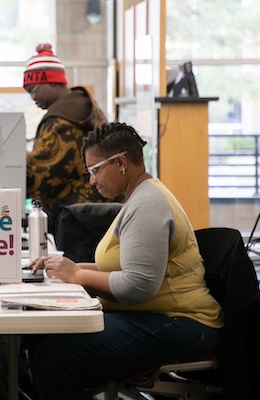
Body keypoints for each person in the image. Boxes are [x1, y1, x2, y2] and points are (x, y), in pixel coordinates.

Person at [27, 122, 223, 399]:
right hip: (159, 317)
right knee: (43, 339)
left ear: (120, 162)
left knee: (56, 359)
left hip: (183, 323)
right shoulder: (137, 198)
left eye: (95, 170)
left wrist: (78, 276)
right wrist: (71, 268)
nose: (92, 181)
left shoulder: (148, 205)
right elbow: (126, 266)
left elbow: (137, 285)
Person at [23, 43, 114, 216]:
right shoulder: (82, 107)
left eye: (33, 91)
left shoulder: (63, 121)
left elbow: (41, 173)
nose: (33, 98)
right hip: (97, 209)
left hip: (80, 217)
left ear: (51, 82)